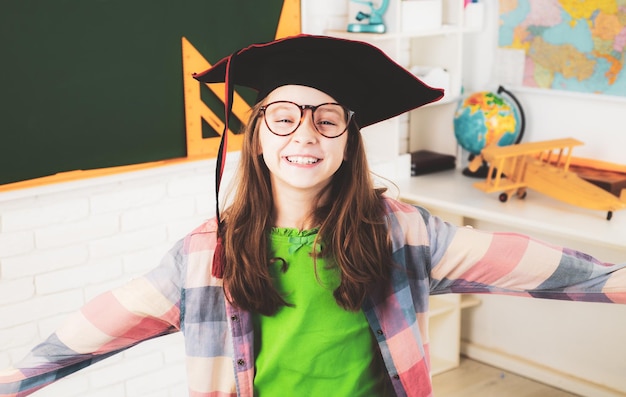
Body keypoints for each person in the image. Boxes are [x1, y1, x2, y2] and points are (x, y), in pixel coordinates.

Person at [1, 33, 625, 397]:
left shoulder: (401, 232)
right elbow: (102, 325)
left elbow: (531, 265)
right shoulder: (204, 255)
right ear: (258, 134)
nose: (306, 134)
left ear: (348, 138)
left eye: (327, 118)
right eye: (284, 115)